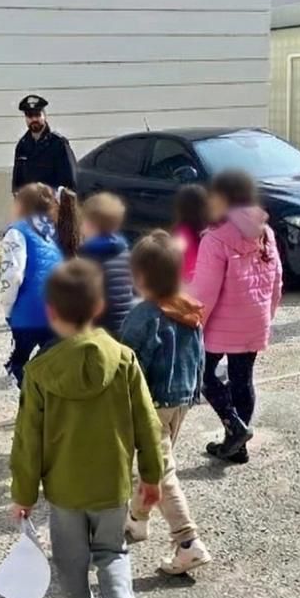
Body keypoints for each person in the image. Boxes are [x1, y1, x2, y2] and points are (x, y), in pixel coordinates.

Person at [9, 260, 163, 598]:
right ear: (98, 307)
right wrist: (152, 475)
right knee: (113, 551)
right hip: (112, 486)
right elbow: (147, 423)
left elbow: (28, 440)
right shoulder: (124, 359)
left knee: (72, 565)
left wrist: (23, 494)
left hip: (65, 493)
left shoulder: (39, 372)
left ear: (51, 312)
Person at [119, 233, 212, 576]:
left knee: (161, 471)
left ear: (141, 276)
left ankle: (187, 542)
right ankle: (137, 519)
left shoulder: (142, 317)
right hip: (181, 400)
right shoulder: (188, 308)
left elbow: (127, 365)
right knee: (155, 463)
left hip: (151, 403)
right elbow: (200, 357)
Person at [189, 170, 283, 465]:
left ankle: (235, 428)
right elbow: (277, 279)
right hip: (255, 319)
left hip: (220, 324)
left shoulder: (215, 238)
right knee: (243, 380)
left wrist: (194, 324)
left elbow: (205, 292)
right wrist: (267, 315)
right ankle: (238, 447)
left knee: (202, 375)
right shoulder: (265, 232)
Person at [0, 183, 66, 387]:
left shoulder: (16, 232)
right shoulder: (54, 231)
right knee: (54, 361)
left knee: (20, 364)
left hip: (28, 310)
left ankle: (32, 400)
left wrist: (8, 309)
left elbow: (13, 275)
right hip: (56, 308)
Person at [78, 192, 134, 337]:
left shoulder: (90, 255)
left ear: (91, 225)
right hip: (123, 322)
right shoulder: (124, 251)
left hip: (100, 324)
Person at [10, 94, 77, 192]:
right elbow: (17, 184)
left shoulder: (58, 144)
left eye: (37, 115)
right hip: (30, 201)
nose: (34, 119)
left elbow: (71, 182)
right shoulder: (22, 146)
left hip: (53, 200)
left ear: (44, 116)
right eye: (30, 115)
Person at [171, 183, 209, 283]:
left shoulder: (181, 232)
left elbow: (174, 261)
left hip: (186, 283)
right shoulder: (209, 231)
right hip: (207, 283)